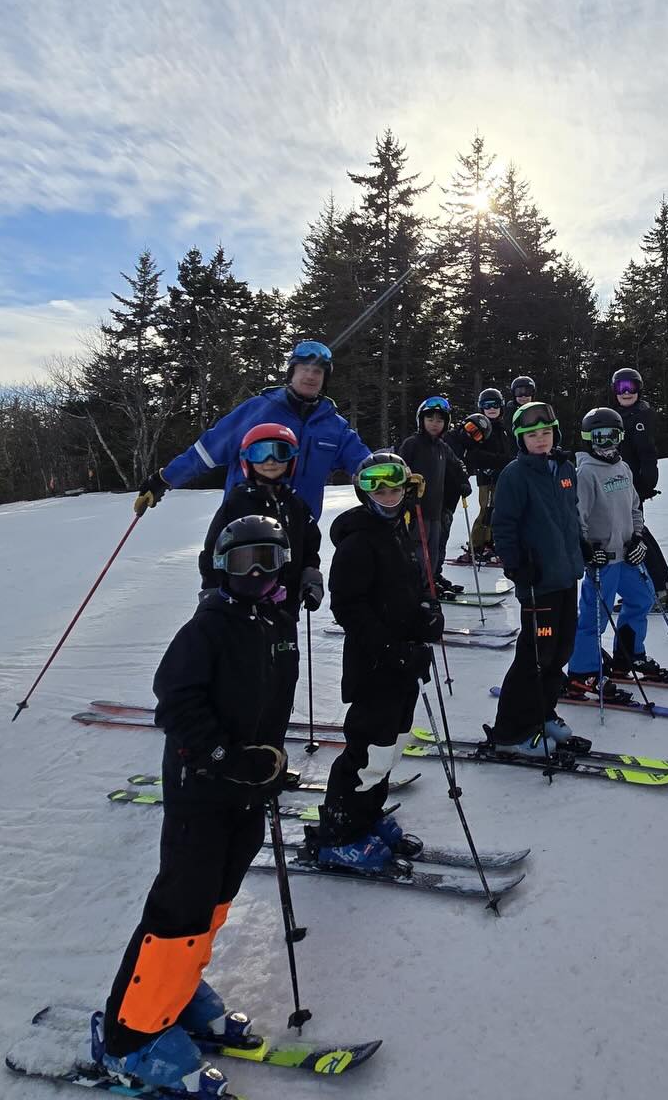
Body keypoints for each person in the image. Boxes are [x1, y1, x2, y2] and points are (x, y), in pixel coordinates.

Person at [91, 514, 297, 1096]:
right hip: (201, 787)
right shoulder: (207, 627)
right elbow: (175, 701)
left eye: (267, 560)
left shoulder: (278, 624)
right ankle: (131, 1038)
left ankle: (176, 992)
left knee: (217, 897)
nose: (255, 573)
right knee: (182, 904)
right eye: (242, 561)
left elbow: (271, 704)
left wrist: (268, 763)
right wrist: (223, 755)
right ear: (221, 566)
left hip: (247, 790)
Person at [304, 451, 443, 873]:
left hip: (404, 662)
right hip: (375, 666)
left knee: (392, 747)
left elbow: (412, 586)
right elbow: (348, 608)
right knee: (367, 753)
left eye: (394, 484)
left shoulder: (399, 530)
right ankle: (338, 834)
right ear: (363, 492)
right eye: (375, 486)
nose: (387, 493)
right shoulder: (358, 541)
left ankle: (366, 815)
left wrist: (427, 614)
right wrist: (392, 650)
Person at [133, 340, 370, 523]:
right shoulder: (257, 409)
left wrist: (392, 478)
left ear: (325, 379)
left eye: (318, 371)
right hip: (243, 525)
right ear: (292, 372)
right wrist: (164, 479)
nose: (310, 376)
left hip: (300, 531)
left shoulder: (335, 426)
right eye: (304, 368)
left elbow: (366, 465)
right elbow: (205, 452)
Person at [484, 400, 586, 755]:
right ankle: (511, 731)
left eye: (546, 432)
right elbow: (503, 526)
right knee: (536, 656)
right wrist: (515, 565)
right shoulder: (515, 475)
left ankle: (542, 713)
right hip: (538, 583)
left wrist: (581, 545)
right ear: (520, 440)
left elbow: (570, 513)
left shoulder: (565, 468)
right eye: (532, 435)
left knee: (560, 651)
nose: (540, 439)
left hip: (566, 576)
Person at [568, 407, 668, 698]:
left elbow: (634, 508)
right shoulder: (586, 472)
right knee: (595, 617)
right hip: (604, 560)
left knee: (641, 599)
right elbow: (577, 518)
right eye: (599, 437)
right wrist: (588, 551)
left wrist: (638, 538)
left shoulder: (623, 468)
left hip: (627, 556)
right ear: (588, 439)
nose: (607, 443)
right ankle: (583, 672)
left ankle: (629, 655)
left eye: (612, 436)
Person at [197, 425, 322, 626]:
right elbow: (212, 552)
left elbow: (310, 548)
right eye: (260, 453)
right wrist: (211, 592)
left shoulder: (296, 505)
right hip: (242, 602)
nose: (270, 460)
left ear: (291, 459)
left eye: (280, 452)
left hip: (286, 603)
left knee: (283, 643)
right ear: (247, 459)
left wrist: (311, 580)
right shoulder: (237, 503)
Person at [608, 367, 668, 609]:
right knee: (639, 533)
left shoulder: (639, 416)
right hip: (622, 484)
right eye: (621, 388)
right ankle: (660, 585)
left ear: (639, 389)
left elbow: (647, 453)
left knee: (636, 536)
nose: (626, 392)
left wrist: (646, 484)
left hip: (633, 486)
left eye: (630, 387)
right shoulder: (622, 414)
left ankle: (656, 588)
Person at [397, 397, 470, 598]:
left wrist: (463, 481)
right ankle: (417, 587)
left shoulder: (442, 446)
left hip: (435, 509)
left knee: (434, 550)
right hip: (415, 509)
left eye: (439, 420)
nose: (435, 424)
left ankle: (431, 581)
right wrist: (406, 490)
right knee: (418, 552)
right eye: (430, 419)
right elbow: (400, 469)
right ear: (421, 420)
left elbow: (457, 465)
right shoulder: (412, 444)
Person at [457, 388, 514, 561]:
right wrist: (498, 462)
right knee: (486, 510)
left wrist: (508, 462)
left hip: (502, 477)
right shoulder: (478, 426)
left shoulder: (503, 428)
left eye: (495, 405)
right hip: (487, 477)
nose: (491, 409)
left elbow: (507, 451)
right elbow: (474, 454)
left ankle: (491, 542)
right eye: (487, 405)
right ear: (481, 407)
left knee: (498, 511)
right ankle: (476, 545)